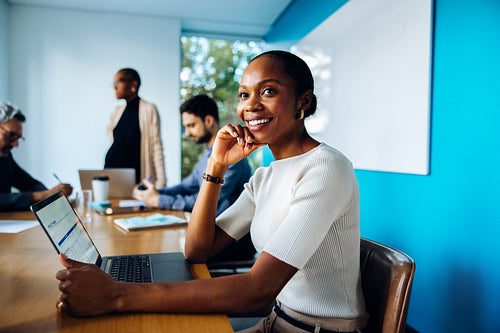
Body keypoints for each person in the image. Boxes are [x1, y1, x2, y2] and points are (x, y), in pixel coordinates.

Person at [55, 51, 368, 333]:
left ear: (304, 101)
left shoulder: (326, 168)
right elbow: (197, 250)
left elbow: (256, 292)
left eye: (268, 91)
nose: (250, 105)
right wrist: (216, 166)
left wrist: (117, 295)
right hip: (276, 321)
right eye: (244, 94)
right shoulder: (265, 176)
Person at [133, 94, 255, 262]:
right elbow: (184, 187)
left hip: (230, 242)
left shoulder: (232, 159)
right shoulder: (206, 157)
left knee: (163, 253)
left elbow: (205, 201)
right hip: (210, 233)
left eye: (191, 125)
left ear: (209, 121)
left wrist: (159, 200)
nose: (187, 133)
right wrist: (151, 194)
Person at [0, 103, 73, 212]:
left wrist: (51, 195)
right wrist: (42, 196)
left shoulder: (5, 157)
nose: (15, 144)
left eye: (18, 138)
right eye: (10, 135)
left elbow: (30, 183)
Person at [105, 68, 166, 188]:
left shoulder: (149, 109)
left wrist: (161, 182)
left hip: (137, 179)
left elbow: (156, 147)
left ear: (133, 84)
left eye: (118, 82)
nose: (115, 87)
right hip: (112, 176)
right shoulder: (116, 112)